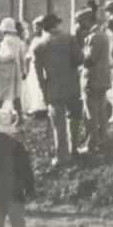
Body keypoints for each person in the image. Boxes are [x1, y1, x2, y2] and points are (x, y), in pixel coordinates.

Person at [32, 13, 82, 167]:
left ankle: (62, 156)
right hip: (72, 84)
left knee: (58, 123)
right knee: (74, 118)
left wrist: (44, 91)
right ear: (57, 24)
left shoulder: (39, 46)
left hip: (53, 87)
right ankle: (74, 148)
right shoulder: (69, 38)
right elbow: (80, 58)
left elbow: (39, 74)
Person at [77, 8, 110, 154]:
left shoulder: (93, 37)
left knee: (91, 113)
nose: (80, 25)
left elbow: (89, 59)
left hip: (92, 78)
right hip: (102, 78)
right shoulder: (101, 35)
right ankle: (102, 140)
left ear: (87, 20)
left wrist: (77, 57)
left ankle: (92, 144)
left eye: (81, 22)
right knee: (101, 111)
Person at [0, 17, 27, 119]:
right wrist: (23, 71)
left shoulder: (7, 40)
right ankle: (20, 119)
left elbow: (10, 55)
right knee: (16, 96)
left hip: (5, 70)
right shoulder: (19, 41)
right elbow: (22, 58)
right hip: (16, 71)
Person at [22, 17, 48, 117]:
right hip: (34, 65)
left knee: (40, 83)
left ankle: (42, 107)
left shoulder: (44, 39)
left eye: (38, 27)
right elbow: (30, 54)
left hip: (42, 65)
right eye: (35, 28)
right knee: (33, 84)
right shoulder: (35, 40)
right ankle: (36, 107)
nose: (36, 30)